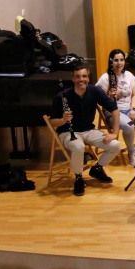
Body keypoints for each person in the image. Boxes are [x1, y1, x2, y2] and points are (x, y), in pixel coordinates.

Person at [50, 64, 122, 196]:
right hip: (67, 131)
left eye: (84, 76)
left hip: (89, 130)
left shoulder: (94, 91)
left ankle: (97, 169)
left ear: (88, 78)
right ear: (73, 79)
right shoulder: (62, 97)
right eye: (77, 77)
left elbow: (114, 109)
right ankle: (78, 178)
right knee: (78, 147)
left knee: (115, 145)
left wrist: (114, 132)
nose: (81, 79)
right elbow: (52, 121)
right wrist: (63, 120)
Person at [95, 48, 135, 167]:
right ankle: (131, 154)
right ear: (111, 61)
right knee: (129, 126)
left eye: (121, 60)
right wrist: (108, 96)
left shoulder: (129, 75)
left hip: (128, 109)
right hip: (113, 112)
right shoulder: (105, 78)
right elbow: (98, 99)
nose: (119, 63)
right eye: (116, 60)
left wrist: (133, 108)